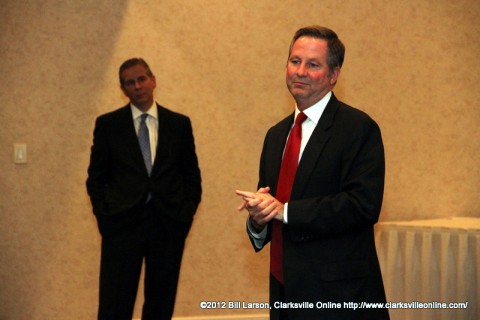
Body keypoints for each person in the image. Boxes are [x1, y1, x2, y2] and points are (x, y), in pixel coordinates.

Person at [236, 26, 389, 319]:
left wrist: (286, 211)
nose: (300, 72)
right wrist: (259, 218)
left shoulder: (358, 129)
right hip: (283, 293)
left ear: (334, 75)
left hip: (338, 297)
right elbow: (272, 209)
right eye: (295, 61)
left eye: (313, 64)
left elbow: (363, 206)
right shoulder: (276, 134)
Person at [86, 58, 202, 320]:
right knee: (115, 301)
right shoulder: (108, 125)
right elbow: (96, 177)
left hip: (168, 223)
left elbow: (191, 177)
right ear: (123, 89)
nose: (137, 86)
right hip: (122, 225)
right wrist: (106, 217)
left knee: (161, 301)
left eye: (141, 79)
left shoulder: (178, 124)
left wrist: (184, 216)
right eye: (130, 82)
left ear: (153, 80)